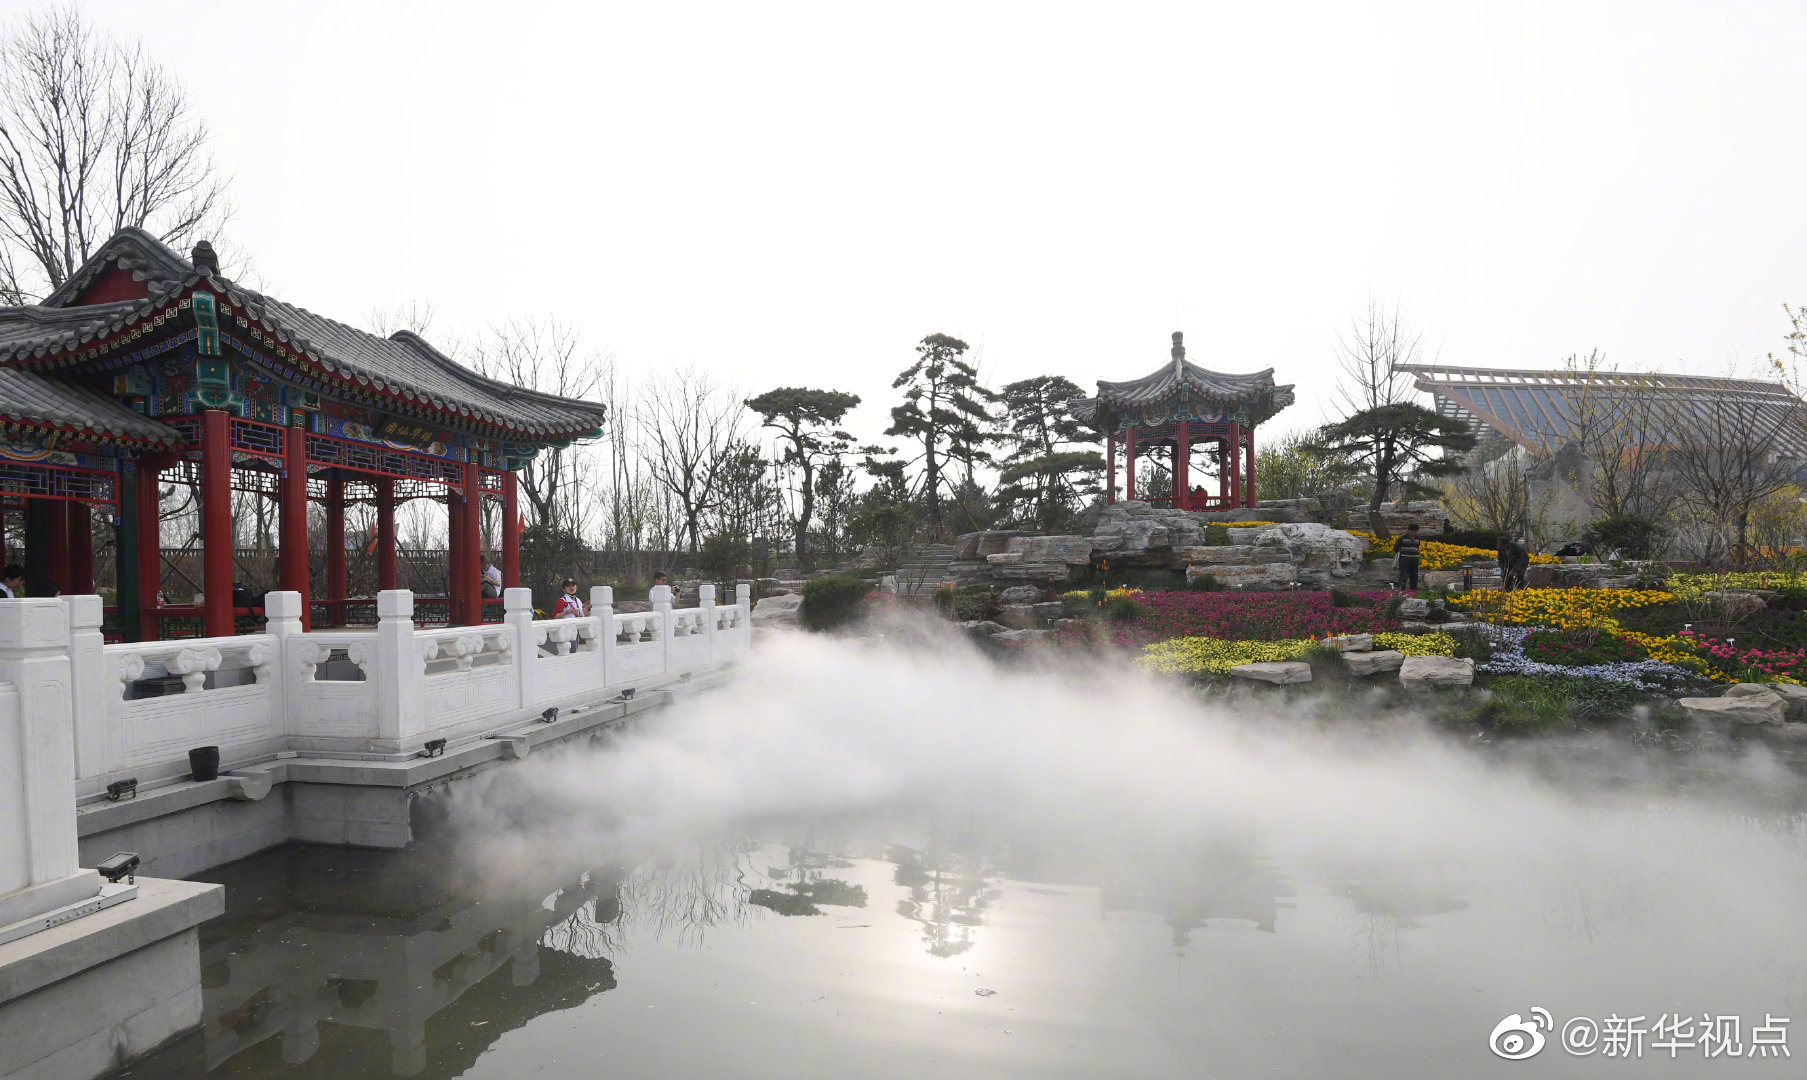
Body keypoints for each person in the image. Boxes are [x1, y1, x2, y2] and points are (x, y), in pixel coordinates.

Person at [1395, 522, 1422, 591]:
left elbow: (1417, 546)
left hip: (1415, 559)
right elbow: (1396, 548)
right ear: (1409, 530)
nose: (1413, 533)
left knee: (1414, 576)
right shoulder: (1402, 538)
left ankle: (1414, 590)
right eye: (1412, 531)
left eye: (1415, 531)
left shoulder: (1418, 538)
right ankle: (1401, 590)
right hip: (1405, 559)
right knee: (1404, 575)